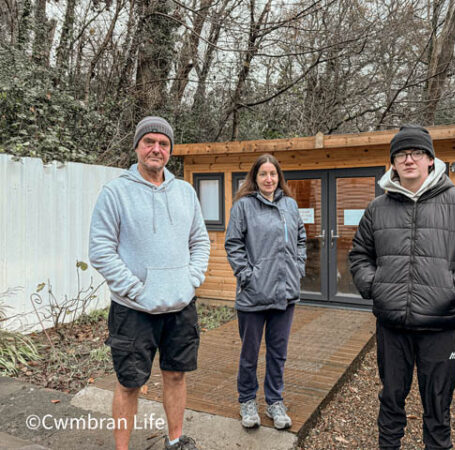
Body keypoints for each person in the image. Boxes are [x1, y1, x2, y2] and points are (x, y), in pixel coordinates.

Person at [349, 124, 455, 449]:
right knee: (390, 402)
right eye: (401, 154)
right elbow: (360, 254)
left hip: (440, 327)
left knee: (437, 408)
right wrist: (374, 284)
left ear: (431, 159)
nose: (408, 159)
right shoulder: (377, 208)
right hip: (392, 328)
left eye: (416, 152)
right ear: (392, 163)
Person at [89, 116, 210, 450]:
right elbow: (101, 250)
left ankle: (174, 441)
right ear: (138, 146)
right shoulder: (115, 193)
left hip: (180, 307)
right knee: (129, 383)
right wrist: (136, 289)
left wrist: (191, 281)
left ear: (170, 150)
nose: (156, 149)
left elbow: (200, 242)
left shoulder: (185, 192)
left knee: (175, 375)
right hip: (133, 311)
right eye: (149, 142)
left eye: (163, 143)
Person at [224, 153, 306, 430]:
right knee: (250, 353)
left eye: (273, 174)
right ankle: (247, 400)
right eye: (263, 174)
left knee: (278, 352)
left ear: (279, 177)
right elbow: (233, 244)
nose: (269, 179)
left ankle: (274, 401)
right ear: (255, 178)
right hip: (253, 294)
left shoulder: (290, 206)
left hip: (285, 293)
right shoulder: (243, 207)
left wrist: (298, 268)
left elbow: (301, 239)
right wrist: (247, 276)